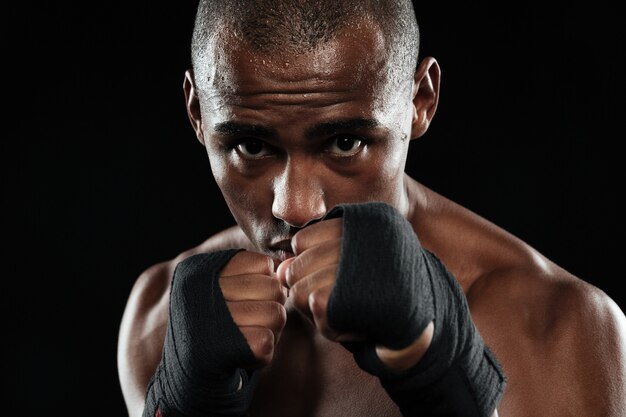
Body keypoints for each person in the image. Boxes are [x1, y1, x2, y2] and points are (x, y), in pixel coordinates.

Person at [117, 1, 626, 416]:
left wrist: (439, 376)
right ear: (197, 114)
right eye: (251, 147)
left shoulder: (555, 326)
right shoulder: (160, 318)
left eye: (344, 143)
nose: (294, 207)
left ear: (419, 101)